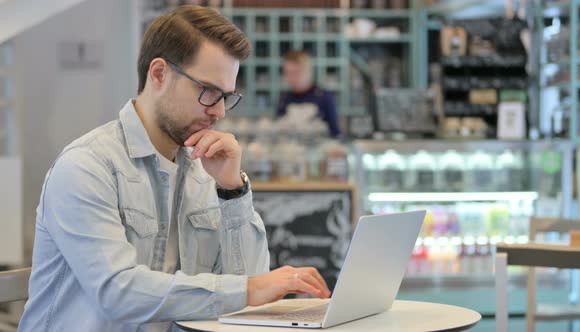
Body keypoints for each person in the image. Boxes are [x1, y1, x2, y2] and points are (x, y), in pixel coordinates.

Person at [19, 6, 330, 332]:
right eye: (208, 92)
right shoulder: (86, 166)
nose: (220, 112)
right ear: (159, 74)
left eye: (227, 96)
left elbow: (251, 288)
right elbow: (116, 292)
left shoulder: (203, 170)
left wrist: (232, 189)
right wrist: (251, 289)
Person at [277, 50, 341, 137]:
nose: (291, 78)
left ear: (308, 71)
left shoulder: (324, 97)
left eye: (296, 72)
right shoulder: (284, 98)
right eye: (287, 73)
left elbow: (336, 134)